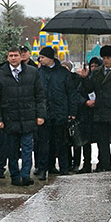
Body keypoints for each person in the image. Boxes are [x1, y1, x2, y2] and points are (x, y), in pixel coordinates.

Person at [0, 46, 46, 186]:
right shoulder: (0, 74)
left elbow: (40, 95)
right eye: (11, 55)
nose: (13, 58)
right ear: (7, 58)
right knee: (12, 149)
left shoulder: (32, 73)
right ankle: (15, 175)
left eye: (16, 55)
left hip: (28, 117)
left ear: (21, 57)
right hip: (10, 118)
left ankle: (25, 174)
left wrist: (41, 115)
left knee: (28, 148)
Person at [35, 46, 78, 179]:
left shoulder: (63, 73)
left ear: (50, 58)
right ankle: (43, 168)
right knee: (44, 143)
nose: (40, 60)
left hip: (60, 113)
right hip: (44, 114)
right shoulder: (38, 73)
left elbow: (71, 93)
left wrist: (72, 111)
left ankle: (64, 168)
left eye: (42, 57)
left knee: (62, 142)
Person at [72, 59, 100, 173]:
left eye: (95, 66)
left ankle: (101, 162)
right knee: (85, 142)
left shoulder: (101, 78)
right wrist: (85, 102)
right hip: (86, 115)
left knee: (100, 141)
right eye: (91, 66)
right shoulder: (84, 80)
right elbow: (78, 94)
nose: (93, 68)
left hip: (99, 113)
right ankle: (86, 164)